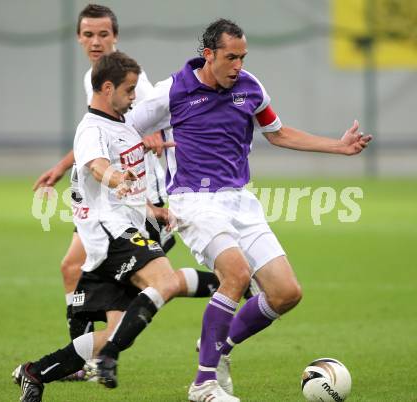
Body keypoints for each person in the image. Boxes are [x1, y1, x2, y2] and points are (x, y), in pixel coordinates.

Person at [129, 18, 373, 402]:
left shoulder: (250, 87)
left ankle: (217, 345)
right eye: (231, 57)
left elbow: (278, 133)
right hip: (194, 201)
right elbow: (124, 128)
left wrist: (338, 147)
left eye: (242, 57)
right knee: (237, 275)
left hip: (242, 202)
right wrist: (142, 147)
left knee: (286, 293)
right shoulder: (172, 91)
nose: (238, 66)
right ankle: (203, 385)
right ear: (209, 55)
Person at [32, 4, 220, 349]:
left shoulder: (129, 79)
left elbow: (153, 116)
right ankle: (92, 353)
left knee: (143, 284)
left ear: (115, 36)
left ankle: (231, 294)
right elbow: (100, 135)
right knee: (78, 270)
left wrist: (151, 139)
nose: (95, 41)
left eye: (103, 34)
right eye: (88, 34)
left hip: (137, 196)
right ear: (78, 38)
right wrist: (62, 167)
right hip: (109, 196)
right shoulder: (96, 78)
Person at [13, 51, 182, 402]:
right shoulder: (98, 114)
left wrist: (150, 198)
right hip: (110, 228)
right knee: (157, 285)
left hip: (135, 217)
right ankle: (229, 291)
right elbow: (95, 161)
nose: (135, 97)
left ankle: (37, 372)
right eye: (89, 34)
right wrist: (116, 176)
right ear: (108, 87)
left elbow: (140, 127)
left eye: (102, 34)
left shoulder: (126, 106)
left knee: (121, 328)